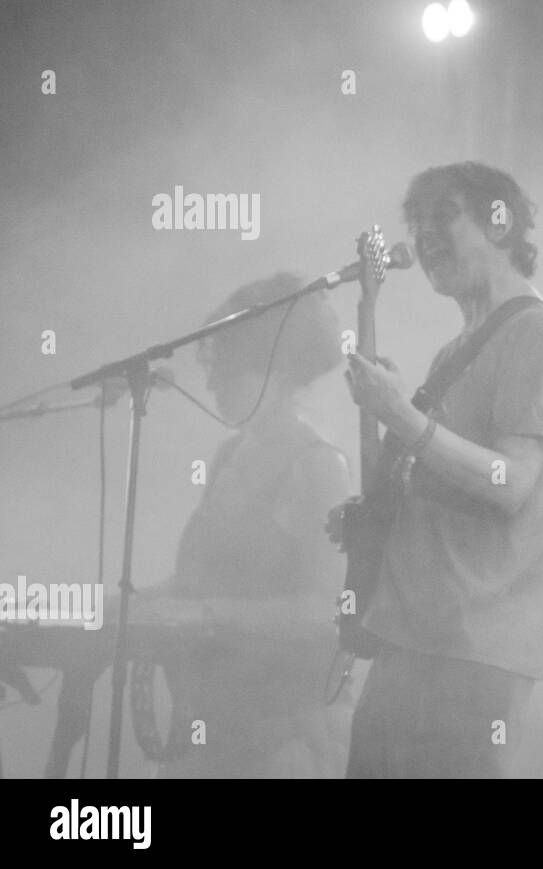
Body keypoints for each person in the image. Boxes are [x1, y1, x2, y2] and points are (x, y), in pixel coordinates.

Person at [343, 162, 543, 778]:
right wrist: (366, 312)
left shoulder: (537, 334)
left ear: (500, 223)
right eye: (416, 224)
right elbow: (394, 473)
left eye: (441, 218)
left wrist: (402, 413)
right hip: (411, 639)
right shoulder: (453, 353)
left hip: (473, 651)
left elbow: (513, 484)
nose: (424, 237)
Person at [140, 272, 354, 777]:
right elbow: (201, 582)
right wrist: (132, 605)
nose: (211, 382)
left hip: (286, 738)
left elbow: (329, 610)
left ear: (274, 370)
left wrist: (204, 613)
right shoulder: (227, 456)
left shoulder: (319, 465)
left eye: (227, 367)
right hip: (213, 725)